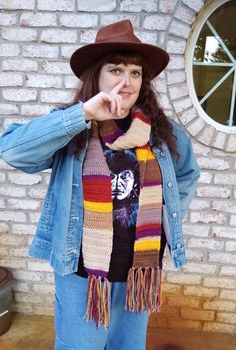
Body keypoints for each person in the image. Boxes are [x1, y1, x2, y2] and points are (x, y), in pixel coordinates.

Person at [0, 20, 200, 350]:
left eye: (135, 73)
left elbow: (188, 174)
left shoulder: (161, 132)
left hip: (138, 274)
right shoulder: (71, 125)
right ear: (97, 75)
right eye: (116, 70)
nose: (127, 81)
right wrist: (82, 114)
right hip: (82, 275)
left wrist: (168, 212)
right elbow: (12, 150)